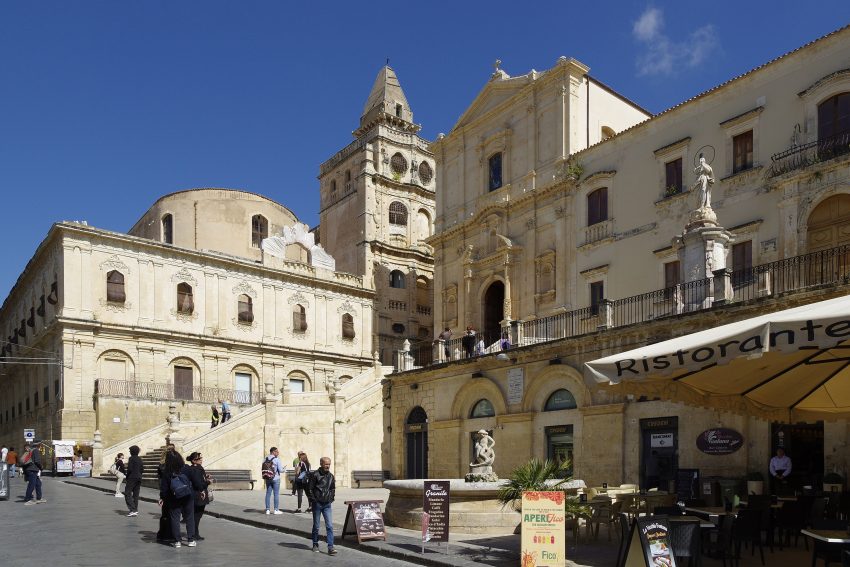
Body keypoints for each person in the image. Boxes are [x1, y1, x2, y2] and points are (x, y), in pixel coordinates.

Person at [158, 451, 196, 548]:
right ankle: (191, 540)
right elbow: (195, 481)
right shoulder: (186, 468)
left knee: (175, 519)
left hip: (174, 497)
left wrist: (162, 498)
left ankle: (177, 541)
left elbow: (164, 487)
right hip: (188, 496)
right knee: (189, 518)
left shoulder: (167, 471)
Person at [307, 457, 337, 555]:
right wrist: (314, 500)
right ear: (321, 464)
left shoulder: (331, 476)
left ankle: (330, 547)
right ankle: (315, 544)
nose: (327, 466)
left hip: (327, 504)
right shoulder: (315, 475)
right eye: (326, 464)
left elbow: (332, 488)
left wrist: (331, 498)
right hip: (317, 504)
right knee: (316, 526)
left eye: (329, 464)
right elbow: (309, 489)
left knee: (329, 526)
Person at [183, 452, 211, 540]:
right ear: (194, 461)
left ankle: (194, 533)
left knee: (195, 515)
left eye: (201, 458)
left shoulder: (193, 469)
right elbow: (198, 484)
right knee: (197, 515)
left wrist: (205, 477)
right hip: (199, 495)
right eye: (199, 459)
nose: (201, 460)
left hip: (195, 494)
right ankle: (194, 533)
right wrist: (208, 482)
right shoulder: (197, 469)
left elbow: (197, 479)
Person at [263, 446, 284, 515]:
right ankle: (276, 510)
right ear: (273, 452)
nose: (278, 453)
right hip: (276, 478)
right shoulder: (277, 459)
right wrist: (284, 470)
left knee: (268, 494)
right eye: (277, 452)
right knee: (276, 494)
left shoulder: (265, 459)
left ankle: (267, 510)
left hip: (268, 478)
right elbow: (280, 470)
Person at [124, 445, 144, 517]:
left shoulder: (131, 458)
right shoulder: (139, 459)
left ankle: (133, 510)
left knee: (127, 493)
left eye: (130, 451)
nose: (129, 452)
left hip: (132, 477)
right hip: (139, 477)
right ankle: (135, 509)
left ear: (132, 451)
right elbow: (142, 469)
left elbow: (130, 469)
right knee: (136, 494)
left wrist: (127, 476)